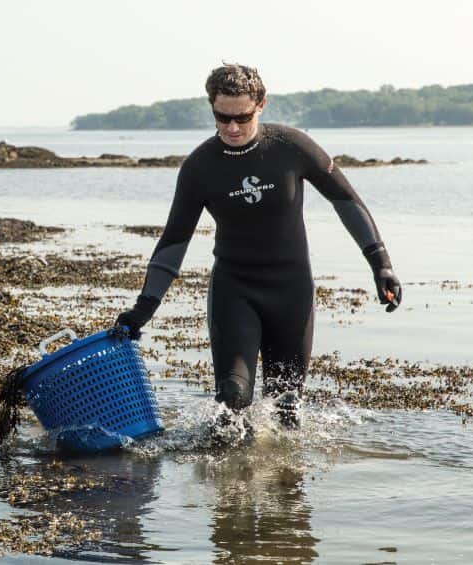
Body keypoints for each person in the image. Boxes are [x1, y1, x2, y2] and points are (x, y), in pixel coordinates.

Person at [116, 63, 402, 427]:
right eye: (222, 118)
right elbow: (175, 240)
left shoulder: (291, 147)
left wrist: (381, 263)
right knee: (232, 402)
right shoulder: (199, 167)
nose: (232, 127)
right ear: (212, 109)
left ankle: (284, 481)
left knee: (287, 411)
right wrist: (143, 308)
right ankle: (228, 480)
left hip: (291, 291)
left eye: (242, 117)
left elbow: (347, 201)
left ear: (262, 105)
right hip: (235, 291)